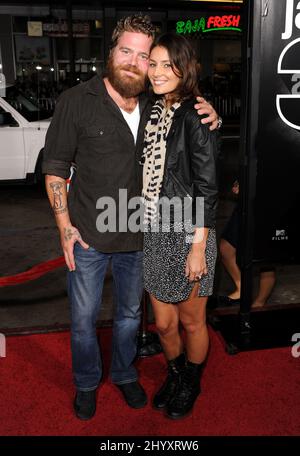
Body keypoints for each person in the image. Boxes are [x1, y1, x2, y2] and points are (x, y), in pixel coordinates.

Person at [42, 14, 220, 421]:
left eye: (147, 57)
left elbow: (199, 165)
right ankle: (87, 383)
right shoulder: (77, 101)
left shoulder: (159, 105)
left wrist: (209, 112)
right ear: (111, 53)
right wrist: (64, 227)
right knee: (85, 321)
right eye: (129, 52)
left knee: (131, 318)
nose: (138, 64)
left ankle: (126, 374)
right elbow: (56, 169)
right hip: (89, 234)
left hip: (147, 236)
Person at [142, 33, 219, 419]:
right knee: (163, 323)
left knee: (192, 321)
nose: (157, 72)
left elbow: (207, 186)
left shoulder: (195, 114)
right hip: (155, 230)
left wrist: (198, 245)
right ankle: (174, 374)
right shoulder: (151, 112)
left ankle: (191, 380)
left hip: (190, 231)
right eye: (152, 64)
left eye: (167, 64)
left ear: (184, 67)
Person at [219, 181, 276, 307]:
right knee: (226, 247)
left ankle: (259, 303)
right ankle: (241, 289)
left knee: (266, 258)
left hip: (270, 201)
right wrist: (241, 183)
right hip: (246, 203)